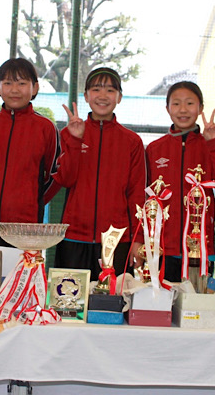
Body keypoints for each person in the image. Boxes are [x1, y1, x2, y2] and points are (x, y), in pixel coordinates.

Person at [52, 67, 146, 280]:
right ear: (86, 96)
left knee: (113, 298)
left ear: (119, 97)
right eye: (96, 89)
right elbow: (65, 179)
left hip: (116, 239)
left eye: (110, 90)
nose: (103, 96)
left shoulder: (132, 142)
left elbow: (137, 194)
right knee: (69, 297)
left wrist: (137, 239)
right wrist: (75, 140)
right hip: (74, 237)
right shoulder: (68, 134)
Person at [145, 81, 215, 282]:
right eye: (176, 103)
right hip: (162, 248)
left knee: (197, 300)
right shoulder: (154, 149)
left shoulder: (211, 145)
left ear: (200, 108)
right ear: (167, 108)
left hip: (200, 248)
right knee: (161, 299)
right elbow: (144, 198)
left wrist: (214, 143)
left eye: (189, 103)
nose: (183, 110)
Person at [0, 58, 60, 246]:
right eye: (8, 83)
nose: (14, 90)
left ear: (35, 88)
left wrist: (34, 202)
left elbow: (55, 175)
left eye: (21, 83)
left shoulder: (46, 128)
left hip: (25, 226)